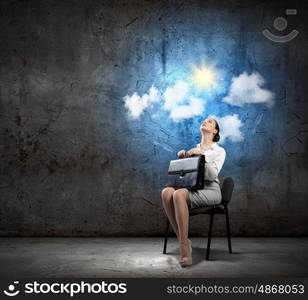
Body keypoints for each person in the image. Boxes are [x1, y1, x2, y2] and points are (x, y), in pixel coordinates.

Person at [161, 117, 226, 267]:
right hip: (194, 188)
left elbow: (211, 176)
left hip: (211, 190)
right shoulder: (194, 148)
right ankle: (184, 240)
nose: (205, 121)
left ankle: (184, 248)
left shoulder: (219, 151)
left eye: (210, 121)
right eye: (204, 120)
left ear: (215, 130)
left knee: (179, 194)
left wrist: (201, 156)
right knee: (166, 192)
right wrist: (183, 161)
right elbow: (185, 178)